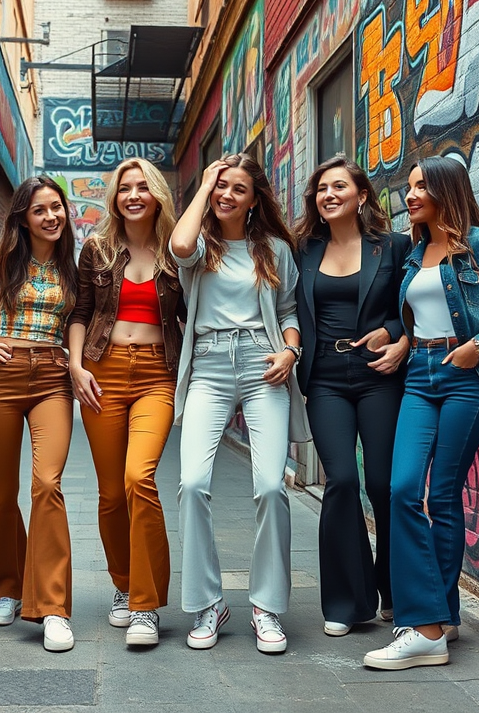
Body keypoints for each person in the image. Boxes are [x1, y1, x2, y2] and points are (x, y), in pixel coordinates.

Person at [364, 156, 479, 670]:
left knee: (441, 492)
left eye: (420, 186)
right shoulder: (415, 255)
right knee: (400, 489)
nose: (409, 195)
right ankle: (442, 617)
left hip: (467, 377)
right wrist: (398, 340)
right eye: (409, 187)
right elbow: (418, 318)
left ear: (445, 188)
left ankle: (426, 628)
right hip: (420, 373)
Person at [171, 153, 311, 654]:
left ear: (255, 201)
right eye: (221, 187)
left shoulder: (274, 249)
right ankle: (209, 603)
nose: (227, 195)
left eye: (238, 189)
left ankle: (266, 605)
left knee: (272, 485)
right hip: (208, 366)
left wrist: (290, 351)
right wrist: (205, 184)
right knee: (191, 483)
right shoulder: (200, 245)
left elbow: (290, 309)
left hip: (261, 364)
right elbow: (179, 243)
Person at [0, 176, 79, 652]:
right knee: (1, 492)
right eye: (40, 210)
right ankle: (6, 588)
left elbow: (81, 321)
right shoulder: (3, 260)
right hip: (1, 378)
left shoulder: (75, 264)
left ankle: (52, 608)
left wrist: (75, 358)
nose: (51, 216)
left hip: (51, 379)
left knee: (47, 483)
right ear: (23, 217)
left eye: (57, 207)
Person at [67, 158, 184, 647]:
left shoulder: (179, 251)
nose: (133, 195)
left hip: (158, 373)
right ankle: (122, 583)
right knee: (112, 493)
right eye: (124, 189)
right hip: (102, 372)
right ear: (115, 198)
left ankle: (146, 605)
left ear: (157, 194)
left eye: (142, 187)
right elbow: (81, 311)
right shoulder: (97, 249)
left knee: (141, 477)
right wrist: (75, 367)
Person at [292, 156, 410, 638]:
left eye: (339, 186)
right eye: (321, 189)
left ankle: (393, 591)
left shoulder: (394, 247)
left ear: (361, 196)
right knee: (340, 480)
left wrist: (397, 336)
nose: (329, 194)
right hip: (325, 378)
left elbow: (416, 304)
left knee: (383, 485)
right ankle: (346, 602)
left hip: (379, 374)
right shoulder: (302, 251)